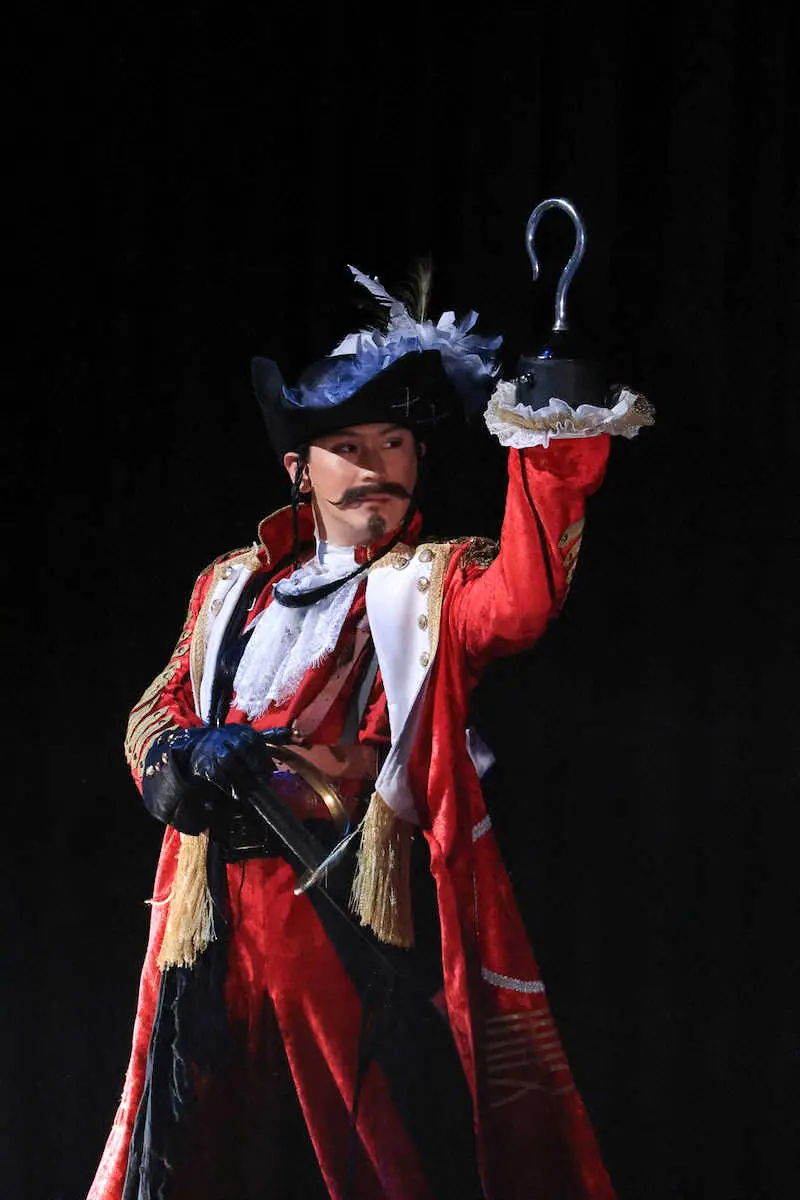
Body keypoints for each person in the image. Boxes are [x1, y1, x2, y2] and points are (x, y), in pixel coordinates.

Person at [87, 264, 653, 1200]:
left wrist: (551, 426)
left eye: (395, 443)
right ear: (297, 471)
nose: (376, 466)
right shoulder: (231, 586)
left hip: (343, 910)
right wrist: (177, 758)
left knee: (379, 1160)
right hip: (210, 913)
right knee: (194, 1154)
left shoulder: (433, 582)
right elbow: (160, 702)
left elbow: (523, 602)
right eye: (347, 447)